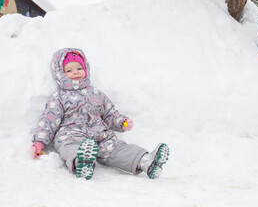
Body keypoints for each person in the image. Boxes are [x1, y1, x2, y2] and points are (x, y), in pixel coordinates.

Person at [30, 48, 169, 180]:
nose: (76, 72)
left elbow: (109, 113)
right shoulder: (59, 97)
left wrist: (121, 122)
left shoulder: (96, 94)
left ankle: (145, 162)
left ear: (86, 69)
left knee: (116, 149)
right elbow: (49, 120)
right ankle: (82, 163)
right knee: (70, 148)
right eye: (69, 70)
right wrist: (39, 142)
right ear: (60, 73)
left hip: (100, 135)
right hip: (71, 135)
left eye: (79, 68)